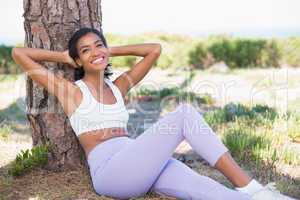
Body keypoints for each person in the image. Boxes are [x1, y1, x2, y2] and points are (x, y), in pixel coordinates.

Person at [12, 27, 295, 200]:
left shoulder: (118, 86)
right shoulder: (70, 91)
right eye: (85, 51)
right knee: (184, 114)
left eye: (99, 44)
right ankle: (249, 187)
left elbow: (153, 51)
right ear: (77, 60)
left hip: (138, 161)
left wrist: (107, 50)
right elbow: (19, 54)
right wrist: (64, 56)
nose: (95, 52)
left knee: (208, 190)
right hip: (112, 173)